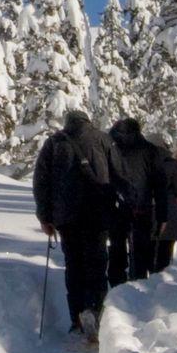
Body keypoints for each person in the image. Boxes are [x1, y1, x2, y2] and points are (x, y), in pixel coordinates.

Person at [32, 109, 125, 340]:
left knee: (74, 265)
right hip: (98, 214)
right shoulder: (103, 139)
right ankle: (95, 310)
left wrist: (45, 217)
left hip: (67, 217)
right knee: (97, 264)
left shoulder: (54, 143)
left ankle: (77, 318)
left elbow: (41, 182)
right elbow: (119, 174)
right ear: (87, 121)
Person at [107, 117, 169, 286]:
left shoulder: (109, 149)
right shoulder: (149, 150)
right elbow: (160, 185)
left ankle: (117, 287)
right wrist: (162, 216)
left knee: (117, 248)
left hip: (115, 208)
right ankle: (139, 285)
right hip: (142, 207)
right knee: (140, 250)